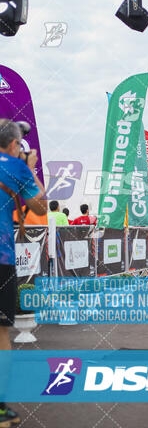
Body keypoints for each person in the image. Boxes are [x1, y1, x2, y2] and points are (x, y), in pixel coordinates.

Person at [0, 119, 47, 426]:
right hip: (1, 257)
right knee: (1, 332)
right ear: (15, 145)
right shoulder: (14, 166)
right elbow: (40, 206)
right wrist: (28, 167)